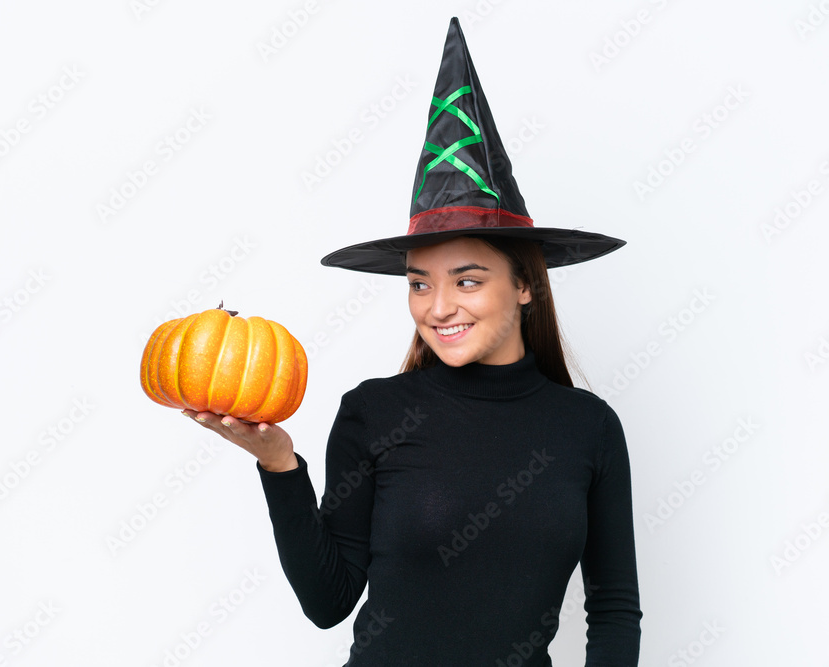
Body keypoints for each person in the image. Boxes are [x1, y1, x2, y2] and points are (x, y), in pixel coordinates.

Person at [182, 17, 642, 666]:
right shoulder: (373, 413)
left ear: (524, 285)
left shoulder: (588, 428)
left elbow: (614, 608)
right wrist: (279, 463)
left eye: (467, 278)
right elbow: (328, 600)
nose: (439, 305)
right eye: (420, 282)